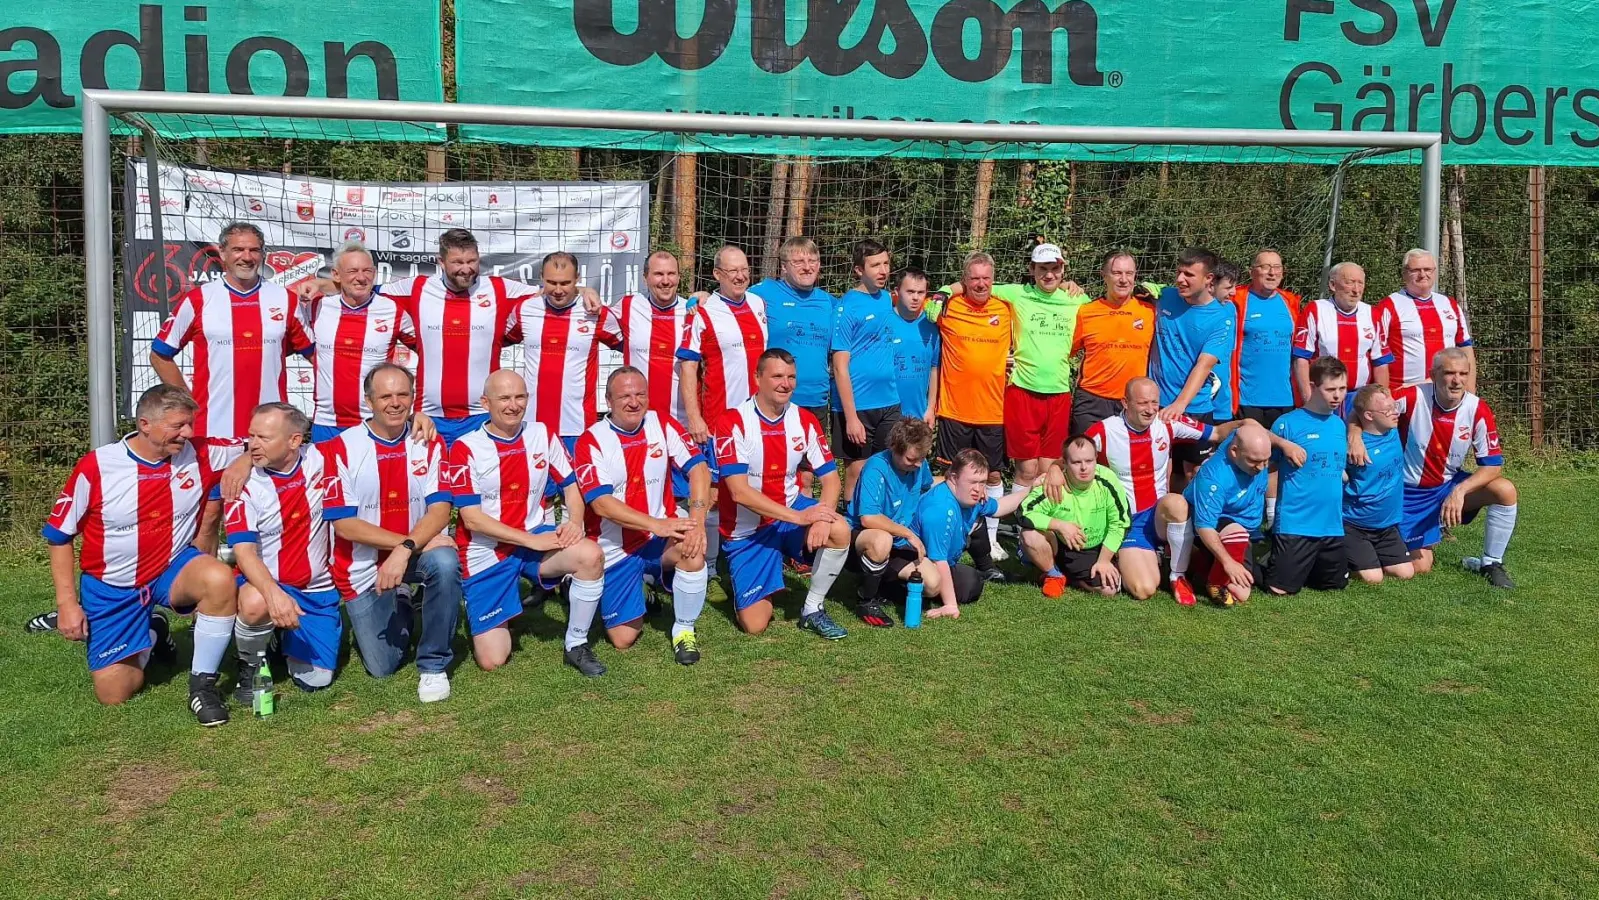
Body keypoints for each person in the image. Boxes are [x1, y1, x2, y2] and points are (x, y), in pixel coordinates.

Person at [43, 384, 239, 724]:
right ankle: (152, 632)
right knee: (114, 694)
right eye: (178, 425)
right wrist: (67, 605)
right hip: (113, 587)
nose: (188, 433)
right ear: (145, 424)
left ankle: (202, 685)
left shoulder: (202, 453)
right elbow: (59, 536)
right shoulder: (97, 467)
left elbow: (263, 445)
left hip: (171, 567)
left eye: (190, 424)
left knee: (219, 578)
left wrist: (243, 463)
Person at [151, 221, 313, 551]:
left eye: (254, 250)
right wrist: (187, 405)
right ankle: (209, 600)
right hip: (211, 432)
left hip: (269, 435)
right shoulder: (199, 300)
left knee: (270, 516)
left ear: (263, 255)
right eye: (238, 249)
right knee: (208, 516)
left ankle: (261, 596)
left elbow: (319, 356)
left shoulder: (284, 300)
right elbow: (160, 355)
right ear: (222, 253)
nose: (246, 256)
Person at [448, 370, 608, 675]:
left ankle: (576, 644)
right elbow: (471, 519)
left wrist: (574, 520)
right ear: (486, 402)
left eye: (519, 397)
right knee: (492, 660)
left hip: (535, 539)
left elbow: (571, 486)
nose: (513, 405)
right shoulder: (465, 447)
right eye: (504, 398)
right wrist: (530, 540)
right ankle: (495, 604)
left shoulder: (542, 434)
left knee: (590, 555)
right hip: (487, 552)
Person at [322, 363, 462, 702]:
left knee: (444, 562)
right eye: (385, 396)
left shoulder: (427, 441)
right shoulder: (341, 447)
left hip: (412, 554)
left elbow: (440, 509)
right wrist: (403, 546)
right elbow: (345, 524)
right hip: (363, 565)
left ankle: (433, 664)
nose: (395, 402)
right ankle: (402, 599)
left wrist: (405, 550)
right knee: (383, 666)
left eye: (403, 394)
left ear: (414, 398)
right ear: (369, 401)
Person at [574, 367, 713, 664]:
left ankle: (684, 631)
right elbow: (601, 504)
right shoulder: (590, 441)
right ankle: (641, 585)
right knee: (623, 639)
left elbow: (699, 469)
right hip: (616, 547)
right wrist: (657, 524)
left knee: (693, 548)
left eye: (640, 395)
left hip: (658, 538)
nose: (634, 402)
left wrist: (698, 524)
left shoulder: (662, 423)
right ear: (608, 401)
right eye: (625, 396)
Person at [713, 349, 853, 639]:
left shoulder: (804, 420)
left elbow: (830, 480)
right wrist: (801, 517)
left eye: (791, 377)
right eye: (777, 376)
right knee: (755, 625)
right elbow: (739, 492)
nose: (785, 383)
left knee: (839, 529)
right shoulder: (732, 422)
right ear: (757, 378)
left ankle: (812, 608)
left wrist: (823, 517)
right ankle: (760, 567)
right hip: (747, 529)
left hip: (790, 511)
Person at [1064, 377, 1239, 606]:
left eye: (1154, 403)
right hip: (1127, 522)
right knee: (1143, 589)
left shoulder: (1167, 423)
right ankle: (1149, 558)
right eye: (1143, 403)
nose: (1150, 410)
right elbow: (1070, 459)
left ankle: (1178, 576)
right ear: (1125, 403)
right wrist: (1057, 473)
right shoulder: (1104, 431)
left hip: (1160, 516)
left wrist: (1248, 426)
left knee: (1176, 503)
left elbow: (1216, 433)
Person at [1352, 347, 1517, 588]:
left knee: (1504, 490)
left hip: (1446, 487)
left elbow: (1493, 466)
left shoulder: (1477, 409)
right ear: (1434, 374)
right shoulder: (1412, 397)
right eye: (1449, 372)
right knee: (1420, 567)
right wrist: (1354, 435)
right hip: (1408, 493)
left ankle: (1491, 563)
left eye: (1463, 373)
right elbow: (1362, 411)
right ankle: (1357, 554)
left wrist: (1459, 492)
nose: (1457, 380)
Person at [944, 242, 1091, 491]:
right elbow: (976, 284)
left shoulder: (1078, 299)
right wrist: (943, 292)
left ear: (1063, 270)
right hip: (1023, 390)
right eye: (1043, 268)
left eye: (1055, 268)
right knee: (1027, 469)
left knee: (1049, 468)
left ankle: (1042, 522)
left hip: (1059, 393)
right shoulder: (1015, 293)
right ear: (1032, 269)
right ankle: (1021, 524)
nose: (1049, 274)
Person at [377, 229, 540, 446]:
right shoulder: (417, 288)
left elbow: (550, 292)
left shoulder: (499, 288)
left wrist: (584, 291)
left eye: (472, 261)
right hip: (430, 417)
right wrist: (323, 285)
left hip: (483, 416)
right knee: (430, 480)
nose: (466, 269)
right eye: (457, 262)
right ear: (441, 262)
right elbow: (364, 292)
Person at [224, 402, 340, 695]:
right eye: (251, 436)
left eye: (263, 438)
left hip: (316, 589)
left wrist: (422, 418)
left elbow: (374, 433)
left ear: (294, 441)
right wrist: (273, 595)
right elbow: (245, 552)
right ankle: (250, 662)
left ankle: (277, 637)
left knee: (317, 679)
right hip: (268, 583)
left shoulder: (323, 458)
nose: (253, 445)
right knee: (255, 602)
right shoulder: (245, 484)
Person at [677, 244, 770, 567]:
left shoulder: (758, 303)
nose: (741, 276)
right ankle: (712, 564)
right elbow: (688, 366)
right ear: (717, 275)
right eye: (733, 271)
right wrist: (694, 417)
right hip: (720, 420)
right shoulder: (701, 311)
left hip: (758, 419)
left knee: (754, 485)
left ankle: (747, 555)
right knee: (716, 495)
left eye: (745, 269)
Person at [932, 250, 1013, 579]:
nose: (980, 284)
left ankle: (991, 542)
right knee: (952, 476)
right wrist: (945, 290)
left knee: (992, 476)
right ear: (963, 281)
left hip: (993, 409)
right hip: (954, 408)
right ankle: (948, 538)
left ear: (993, 281)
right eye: (973, 278)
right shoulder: (949, 306)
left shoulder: (1006, 308)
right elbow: (919, 303)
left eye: (986, 278)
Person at [300, 242, 421, 443]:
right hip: (327, 423)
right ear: (336, 275)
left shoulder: (392, 310)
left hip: (374, 422)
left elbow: (430, 351)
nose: (361, 277)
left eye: (367, 271)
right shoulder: (316, 307)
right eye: (353, 271)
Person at [508, 251, 624, 451]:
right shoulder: (524, 309)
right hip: (532, 427)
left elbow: (630, 347)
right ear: (542, 279)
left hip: (577, 429)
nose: (558, 290)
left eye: (566, 283)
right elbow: (497, 340)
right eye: (552, 282)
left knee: (576, 484)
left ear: (577, 279)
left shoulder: (596, 312)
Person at [1264, 357, 1350, 595]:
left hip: (1332, 525)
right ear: (1313, 387)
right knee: (1279, 589)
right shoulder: (1287, 424)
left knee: (1334, 586)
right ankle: (1263, 555)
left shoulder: (1339, 425)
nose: (1337, 396)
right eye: (1330, 389)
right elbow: (1270, 469)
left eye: (1342, 389)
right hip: (1296, 523)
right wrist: (1272, 513)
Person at [1150, 248, 1236, 486]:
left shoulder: (1222, 318)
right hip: (1156, 403)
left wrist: (1180, 404)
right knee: (1160, 472)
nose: (1180, 279)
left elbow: (1204, 365)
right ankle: (1163, 521)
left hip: (1193, 407)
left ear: (1209, 279)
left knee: (1193, 473)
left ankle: (1193, 522)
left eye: (1188, 274)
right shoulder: (1165, 296)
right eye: (1179, 272)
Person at [911, 449, 1031, 618]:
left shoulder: (969, 496)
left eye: (982, 482)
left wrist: (1030, 490)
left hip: (943, 559)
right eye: (973, 482)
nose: (978, 489)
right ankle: (902, 591)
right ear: (953, 477)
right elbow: (939, 560)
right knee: (962, 586)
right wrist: (950, 605)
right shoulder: (940, 509)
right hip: (917, 560)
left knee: (971, 585)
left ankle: (983, 569)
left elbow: (998, 508)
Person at [848, 417, 942, 627]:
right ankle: (866, 600)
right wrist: (908, 534)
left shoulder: (919, 464)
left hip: (898, 541)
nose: (917, 464)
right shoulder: (876, 467)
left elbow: (930, 485)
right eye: (911, 459)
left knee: (933, 585)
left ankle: (883, 585)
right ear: (894, 448)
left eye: (921, 458)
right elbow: (868, 517)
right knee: (881, 540)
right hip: (863, 536)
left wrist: (956, 484)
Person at [831, 239, 904, 496]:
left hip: (889, 403)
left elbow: (918, 295)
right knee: (857, 471)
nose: (883, 270)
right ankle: (851, 531)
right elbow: (840, 367)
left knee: (887, 468)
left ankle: (878, 526)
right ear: (859, 270)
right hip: (858, 407)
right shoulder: (846, 307)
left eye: (886, 263)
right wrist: (851, 418)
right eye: (875, 265)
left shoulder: (887, 299)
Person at [1019, 436, 1130, 598]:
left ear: (1096, 460)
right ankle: (1053, 574)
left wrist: (1104, 560)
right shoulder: (1054, 483)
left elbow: (1120, 522)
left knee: (1109, 590)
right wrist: (1060, 525)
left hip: (1094, 548)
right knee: (1029, 535)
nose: (1084, 467)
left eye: (1089, 461)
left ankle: (1069, 577)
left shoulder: (1107, 480)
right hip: (1060, 545)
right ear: (1064, 463)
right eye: (1077, 462)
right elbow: (1023, 512)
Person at [1069, 250, 1160, 436]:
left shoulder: (1150, 311)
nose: (1123, 279)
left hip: (1133, 403)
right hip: (1091, 401)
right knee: (1084, 461)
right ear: (1104, 276)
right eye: (1117, 273)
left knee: (1125, 464)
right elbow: (1063, 351)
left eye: (1129, 273)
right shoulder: (1086, 312)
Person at [1182, 423, 1273, 606]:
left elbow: (1249, 423)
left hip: (1245, 526)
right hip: (1209, 521)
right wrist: (1228, 563)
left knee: (1247, 590)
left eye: (1266, 460)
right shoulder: (1214, 478)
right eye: (1254, 461)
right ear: (1234, 451)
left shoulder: (1244, 444)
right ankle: (1212, 579)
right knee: (1237, 537)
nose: (1262, 467)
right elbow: (1204, 526)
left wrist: (1285, 444)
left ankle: (1201, 567)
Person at [755, 236, 837, 423]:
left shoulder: (829, 302)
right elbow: (731, 300)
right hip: (777, 400)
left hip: (817, 401)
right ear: (784, 267)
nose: (807, 267)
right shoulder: (765, 292)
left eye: (812, 261)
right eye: (798, 262)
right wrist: (701, 296)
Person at [1342, 384, 1414, 584]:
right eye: (1387, 410)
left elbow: (1431, 381)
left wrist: (1353, 431)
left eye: (1394, 407)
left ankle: (1368, 556)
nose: (1395, 413)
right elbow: (1353, 407)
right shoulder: (1351, 448)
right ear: (1369, 416)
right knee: (1373, 578)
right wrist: (1354, 435)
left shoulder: (1392, 429)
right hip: (1355, 524)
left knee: (1406, 573)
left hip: (1386, 527)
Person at [1376, 249, 1474, 390]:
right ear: (1404, 273)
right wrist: (1383, 396)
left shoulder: (1449, 304)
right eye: (1416, 270)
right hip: (1404, 394)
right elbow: (1377, 356)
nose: (1423, 275)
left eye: (1427, 269)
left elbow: (1466, 350)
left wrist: (1470, 393)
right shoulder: (1388, 305)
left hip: (1447, 392)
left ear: (1434, 272)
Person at [615, 250, 694, 427]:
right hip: (639, 423)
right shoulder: (628, 306)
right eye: (658, 274)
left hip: (682, 424)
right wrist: (583, 289)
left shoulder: (693, 312)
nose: (665, 281)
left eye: (671, 274)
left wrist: (706, 295)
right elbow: (595, 317)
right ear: (645, 278)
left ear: (679, 277)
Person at [1293, 261, 1392, 398]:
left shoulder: (1372, 313)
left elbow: (1380, 362)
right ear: (1333, 285)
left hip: (1359, 396)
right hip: (1323, 396)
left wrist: (1383, 399)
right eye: (1350, 282)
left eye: (1360, 283)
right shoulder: (1316, 310)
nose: (1356, 290)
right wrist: (1308, 400)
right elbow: (1301, 358)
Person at [1228, 249, 1302, 428]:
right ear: (1252, 272)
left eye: (1277, 267)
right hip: (1247, 399)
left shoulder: (1290, 302)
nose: (1272, 272)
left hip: (1284, 399)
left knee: (1280, 454)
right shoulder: (1236, 300)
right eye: (1266, 267)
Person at [886, 267, 940, 427]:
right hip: (886, 414)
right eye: (910, 292)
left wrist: (930, 409)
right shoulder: (885, 322)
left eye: (920, 292)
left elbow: (934, 369)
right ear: (896, 291)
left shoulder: (932, 326)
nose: (915, 298)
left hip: (918, 416)